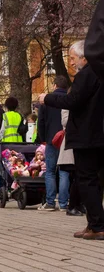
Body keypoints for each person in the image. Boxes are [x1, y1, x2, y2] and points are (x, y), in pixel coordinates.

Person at [39, 40, 104, 240]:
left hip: (86, 135)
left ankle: (98, 225)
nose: (72, 63)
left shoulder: (86, 74)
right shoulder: (99, 73)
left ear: (84, 57)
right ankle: (94, 222)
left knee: (86, 180)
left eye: (74, 58)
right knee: (94, 180)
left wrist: (47, 98)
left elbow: (73, 101)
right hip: (97, 134)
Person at [37, 76, 70, 211]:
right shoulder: (69, 99)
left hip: (51, 139)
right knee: (64, 171)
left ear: (55, 85)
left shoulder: (47, 101)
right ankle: (63, 203)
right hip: (66, 140)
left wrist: (42, 138)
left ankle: (50, 203)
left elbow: (41, 122)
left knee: (50, 171)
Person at [57, 108, 84, 216]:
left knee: (80, 176)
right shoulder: (68, 105)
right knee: (75, 176)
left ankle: (78, 204)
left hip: (79, 144)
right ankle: (72, 205)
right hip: (72, 145)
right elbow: (65, 122)